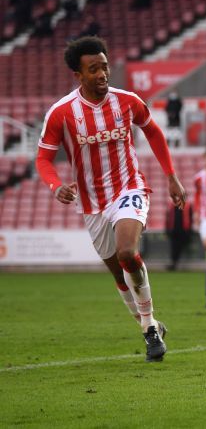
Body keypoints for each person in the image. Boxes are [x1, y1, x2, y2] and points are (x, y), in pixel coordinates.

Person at [35, 36, 186, 362]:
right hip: (92, 203)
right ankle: (151, 327)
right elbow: (44, 160)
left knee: (127, 253)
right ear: (78, 75)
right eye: (94, 69)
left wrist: (171, 176)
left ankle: (148, 328)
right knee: (119, 274)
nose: (103, 74)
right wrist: (55, 185)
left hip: (129, 189)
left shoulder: (127, 101)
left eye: (104, 67)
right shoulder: (62, 113)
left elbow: (154, 132)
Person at [165, 199, 194, 271]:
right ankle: (174, 263)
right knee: (174, 248)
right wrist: (167, 230)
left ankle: (181, 265)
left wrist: (189, 231)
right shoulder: (171, 206)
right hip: (174, 231)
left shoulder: (187, 206)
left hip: (184, 231)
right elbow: (168, 218)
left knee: (182, 248)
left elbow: (190, 219)